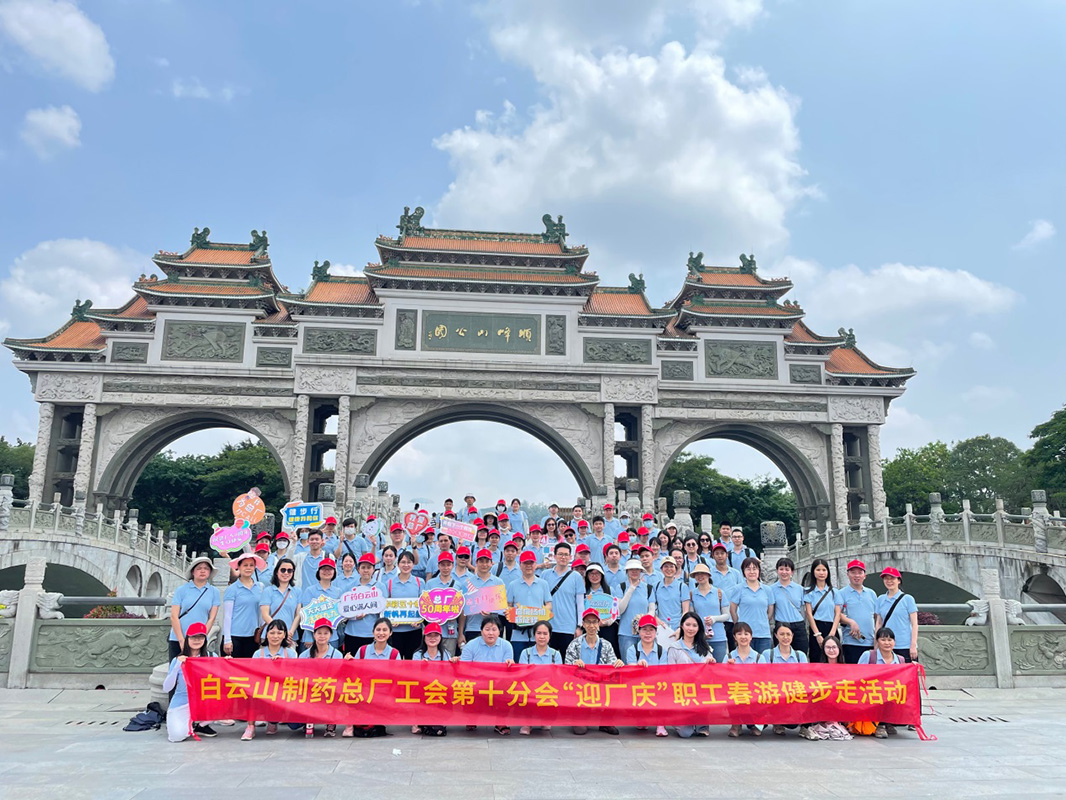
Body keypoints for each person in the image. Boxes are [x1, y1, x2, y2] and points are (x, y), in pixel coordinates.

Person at [565, 609, 624, 735]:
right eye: (588, 622)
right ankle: (580, 716)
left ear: (599, 624)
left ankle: (605, 721)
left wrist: (618, 664)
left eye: (594, 622)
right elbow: (566, 669)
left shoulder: (606, 645)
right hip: (581, 691)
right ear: (583, 624)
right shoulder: (574, 645)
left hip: (600, 689)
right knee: (580, 730)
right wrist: (573, 665)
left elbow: (612, 670)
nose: (591, 626)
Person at [343, 618, 402, 737]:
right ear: (373, 632)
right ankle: (350, 725)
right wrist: (348, 662)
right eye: (378, 630)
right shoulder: (363, 650)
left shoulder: (394, 653)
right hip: (365, 691)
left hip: (384, 693)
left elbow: (398, 678)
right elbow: (355, 673)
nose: (381, 633)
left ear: (390, 633)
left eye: (385, 630)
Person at [457, 615, 515, 735]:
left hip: (498, 683)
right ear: (481, 631)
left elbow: (507, 669)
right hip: (476, 681)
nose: (490, 633)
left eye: (494, 629)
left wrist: (510, 663)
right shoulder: (471, 645)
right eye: (487, 629)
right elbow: (464, 668)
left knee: (508, 689)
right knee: (464, 687)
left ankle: (500, 722)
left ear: (500, 631)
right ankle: (471, 718)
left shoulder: (506, 645)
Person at [246, 619, 298, 739]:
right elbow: (252, 675)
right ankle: (250, 727)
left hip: (284, 690)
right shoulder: (258, 654)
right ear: (267, 634)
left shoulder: (291, 653)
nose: (275, 636)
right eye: (272, 633)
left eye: (279, 633)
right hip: (264, 689)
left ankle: (273, 721)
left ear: (285, 635)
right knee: (250, 693)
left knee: (295, 724)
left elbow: (296, 675)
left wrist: (283, 664)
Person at [668, 611, 717, 738]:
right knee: (686, 733)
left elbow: (710, 672)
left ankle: (702, 723)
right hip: (682, 691)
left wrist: (711, 663)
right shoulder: (674, 647)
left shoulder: (704, 647)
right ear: (682, 626)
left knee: (700, 731)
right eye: (688, 624)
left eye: (694, 625)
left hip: (700, 691)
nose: (691, 628)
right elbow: (670, 673)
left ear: (699, 628)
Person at [162, 621, 213, 742]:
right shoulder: (178, 660)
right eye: (193, 637)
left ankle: (201, 725)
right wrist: (177, 666)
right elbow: (166, 688)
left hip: (203, 702)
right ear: (187, 638)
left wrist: (228, 662)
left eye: (200, 637)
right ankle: (191, 725)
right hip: (182, 703)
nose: (197, 640)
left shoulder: (211, 656)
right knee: (177, 736)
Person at [800, 635, 853, 741]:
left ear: (839, 649)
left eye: (834, 647)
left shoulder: (847, 669)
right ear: (823, 649)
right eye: (828, 647)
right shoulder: (818, 669)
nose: (831, 650)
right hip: (823, 703)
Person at [168, 556, 221, 661]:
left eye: (206, 568)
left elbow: (212, 618)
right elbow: (174, 616)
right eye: (199, 568)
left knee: (198, 672)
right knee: (176, 671)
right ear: (193, 572)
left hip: (198, 640)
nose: (202, 571)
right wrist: (181, 640)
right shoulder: (181, 590)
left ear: (210, 572)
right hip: (179, 637)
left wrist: (202, 637)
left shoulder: (214, 591)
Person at [625, 614, 669, 737]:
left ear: (656, 632)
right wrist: (637, 666)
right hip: (639, 686)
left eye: (651, 630)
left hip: (657, 685)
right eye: (644, 629)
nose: (648, 633)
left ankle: (661, 724)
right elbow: (630, 672)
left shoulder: (662, 651)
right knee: (641, 725)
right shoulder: (632, 649)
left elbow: (664, 672)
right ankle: (642, 717)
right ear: (638, 631)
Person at [859, 627, 908, 738]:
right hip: (872, 692)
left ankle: (889, 722)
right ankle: (879, 725)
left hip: (891, 693)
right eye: (883, 640)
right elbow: (858, 675)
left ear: (894, 642)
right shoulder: (869, 655)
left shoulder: (900, 660)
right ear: (877, 641)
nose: (887, 643)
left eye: (890, 640)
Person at [299, 617, 343, 737]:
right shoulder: (304, 655)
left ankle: (330, 722)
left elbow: (340, 676)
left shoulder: (337, 655)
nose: (322, 636)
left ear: (331, 635)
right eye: (319, 633)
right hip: (310, 690)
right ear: (314, 635)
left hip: (329, 690)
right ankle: (308, 721)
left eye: (326, 633)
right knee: (293, 723)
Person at [762, 621, 809, 736]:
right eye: (782, 634)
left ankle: (805, 726)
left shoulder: (800, 655)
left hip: (794, 694)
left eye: (788, 634)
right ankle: (777, 722)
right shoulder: (768, 654)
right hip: (775, 694)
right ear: (776, 635)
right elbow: (763, 677)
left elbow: (806, 678)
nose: (785, 637)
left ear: (792, 635)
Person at [517, 620, 561, 736]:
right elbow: (522, 676)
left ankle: (544, 718)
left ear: (550, 636)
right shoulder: (525, 653)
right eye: (539, 633)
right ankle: (527, 723)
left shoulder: (555, 654)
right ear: (534, 635)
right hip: (530, 688)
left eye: (545, 634)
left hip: (547, 689)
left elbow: (558, 676)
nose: (542, 637)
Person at [458, 549, 507, 650]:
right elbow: (463, 611)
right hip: (472, 628)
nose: (484, 564)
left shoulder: (498, 582)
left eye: (487, 561)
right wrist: (460, 633)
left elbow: (502, 609)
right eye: (481, 561)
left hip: (492, 630)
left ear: (491, 563)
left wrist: (491, 610)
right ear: (476, 563)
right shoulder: (467, 583)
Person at [508, 550, 552, 661]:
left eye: (531, 563)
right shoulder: (513, 585)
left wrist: (539, 614)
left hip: (537, 634)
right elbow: (508, 605)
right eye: (525, 563)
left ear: (535, 565)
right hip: (518, 633)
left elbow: (549, 604)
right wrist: (513, 613)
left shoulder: (543, 584)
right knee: (519, 665)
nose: (528, 566)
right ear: (520, 565)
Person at [725, 621, 765, 738]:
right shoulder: (728, 657)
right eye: (739, 634)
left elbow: (765, 679)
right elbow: (722, 680)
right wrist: (728, 669)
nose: (743, 637)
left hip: (754, 693)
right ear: (734, 637)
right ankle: (736, 724)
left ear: (751, 637)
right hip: (736, 692)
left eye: (746, 634)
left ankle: (754, 724)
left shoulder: (759, 657)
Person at [544, 542, 585, 655]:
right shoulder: (545, 574)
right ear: (555, 556)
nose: (563, 557)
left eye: (566, 555)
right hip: (548, 626)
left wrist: (579, 626)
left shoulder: (576, 577)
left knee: (567, 663)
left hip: (568, 628)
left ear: (570, 557)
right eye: (560, 554)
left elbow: (580, 604)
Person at [223, 553, 265, 660]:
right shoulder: (232, 589)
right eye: (245, 565)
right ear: (239, 567)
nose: (248, 568)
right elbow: (227, 615)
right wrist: (227, 639)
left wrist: (263, 632)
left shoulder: (260, 587)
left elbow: (261, 612)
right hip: (235, 635)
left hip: (253, 636)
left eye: (251, 565)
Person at [383, 550, 424, 659]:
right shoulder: (389, 583)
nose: (406, 565)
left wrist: (420, 621)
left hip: (414, 630)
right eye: (403, 562)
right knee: (396, 662)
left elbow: (424, 604)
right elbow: (385, 605)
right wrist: (390, 621)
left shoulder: (420, 582)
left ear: (413, 564)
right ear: (398, 564)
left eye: (409, 562)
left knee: (412, 662)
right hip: (395, 631)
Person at [729, 557, 774, 654]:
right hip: (744, 634)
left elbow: (770, 609)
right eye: (748, 569)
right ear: (743, 572)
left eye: (754, 568)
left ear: (759, 571)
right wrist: (738, 623)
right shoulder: (738, 589)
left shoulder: (767, 589)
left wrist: (764, 620)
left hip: (763, 633)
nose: (752, 571)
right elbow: (733, 609)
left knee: (763, 664)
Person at [411, 623, 448, 736]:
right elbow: (413, 675)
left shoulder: (445, 654)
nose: (432, 638)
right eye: (429, 635)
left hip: (439, 688)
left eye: (436, 635)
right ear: (424, 637)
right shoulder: (418, 655)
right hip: (423, 688)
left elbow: (449, 675)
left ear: (440, 638)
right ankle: (416, 720)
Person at [688, 563, 730, 662]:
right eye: (697, 574)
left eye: (703, 573)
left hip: (718, 637)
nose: (700, 576)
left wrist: (714, 619)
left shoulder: (719, 592)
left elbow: (727, 615)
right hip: (699, 637)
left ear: (708, 575)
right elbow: (691, 616)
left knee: (720, 668)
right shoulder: (692, 594)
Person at [875, 567, 919, 662]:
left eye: (892, 578)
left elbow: (914, 624)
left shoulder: (908, 599)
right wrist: (876, 645)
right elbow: (878, 623)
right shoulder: (880, 599)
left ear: (899, 581)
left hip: (904, 645)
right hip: (886, 645)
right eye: (886, 579)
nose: (889, 581)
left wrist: (913, 645)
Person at [297, 557, 341, 650]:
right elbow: (306, 615)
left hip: (332, 637)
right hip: (311, 638)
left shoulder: (338, 592)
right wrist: (309, 636)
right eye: (323, 569)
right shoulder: (309, 590)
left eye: (330, 569)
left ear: (334, 572)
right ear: (318, 571)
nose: (326, 571)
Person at [839, 559, 878, 663]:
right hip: (851, 641)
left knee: (870, 676)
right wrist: (850, 622)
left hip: (870, 641)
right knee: (853, 674)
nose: (857, 576)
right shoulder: (841, 593)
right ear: (847, 574)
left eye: (860, 573)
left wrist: (878, 640)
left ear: (864, 575)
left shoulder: (871, 593)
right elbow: (837, 614)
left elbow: (877, 617)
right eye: (853, 573)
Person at [803, 558, 842, 663]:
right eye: (818, 570)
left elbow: (838, 613)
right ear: (813, 572)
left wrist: (832, 633)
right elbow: (809, 614)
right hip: (816, 628)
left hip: (831, 627)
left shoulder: (834, 592)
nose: (821, 573)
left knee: (834, 658)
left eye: (824, 570)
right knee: (816, 658)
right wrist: (817, 634)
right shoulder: (808, 592)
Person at [770, 557, 808, 657]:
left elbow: (805, 609)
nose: (784, 572)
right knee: (781, 656)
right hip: (781, 625)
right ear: (777, 570)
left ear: (792, 572)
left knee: (800, 655)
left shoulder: (800, 589)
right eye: (781, 569)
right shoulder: (771, 589)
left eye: (787, 569)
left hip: (798, 625)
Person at [424, 551, 460, 656]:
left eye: (448, 565)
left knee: (448, 662)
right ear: (438, 566)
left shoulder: (458, 585)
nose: (445, 568)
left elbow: (461, 610)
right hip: (433, 632)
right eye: (442, 565)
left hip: (450, 631)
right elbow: (425, 606)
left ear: (452, 566)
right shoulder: (430, 584)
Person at [617, 558, 654, 660]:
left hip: (645, 633)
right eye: (631, 569)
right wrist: (631, 589)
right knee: (628, 664)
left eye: (637, 569)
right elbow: (620, 610)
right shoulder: (621, 587)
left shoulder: (648, 588)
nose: (634, 571)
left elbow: (652, 609)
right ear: (627, 571)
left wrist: (643, 621)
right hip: (626, 633)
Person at [260, 557, 299, 648]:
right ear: (277, 572)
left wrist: (290, 632)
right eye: (283, 570)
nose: (286, 573)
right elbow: (265, 614)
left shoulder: (297, 591)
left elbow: (298, 614)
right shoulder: (268, 591)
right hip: (271, 635)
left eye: (289, 571)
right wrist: (278, 632)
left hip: (290, 636)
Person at [583, 563, 619, 653]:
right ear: (587, 576)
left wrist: (607, 622)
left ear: (602, 575)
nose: (594, 576)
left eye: (597, 574)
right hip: (588, 627)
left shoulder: (610, 590)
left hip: (607, 628)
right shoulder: (583, 591)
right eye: (591, 574)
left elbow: (615, 611)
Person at [651, 557, 691, 633]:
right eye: (666, 566)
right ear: (661, 569)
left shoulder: (682, 587)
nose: (669, 569)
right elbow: (652, 608)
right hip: (660, 627)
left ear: (675, 569)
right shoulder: (655, 586)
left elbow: (685, 610)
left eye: (671, 566)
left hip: (677, 627)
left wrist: (681, 626)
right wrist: (658, 621)